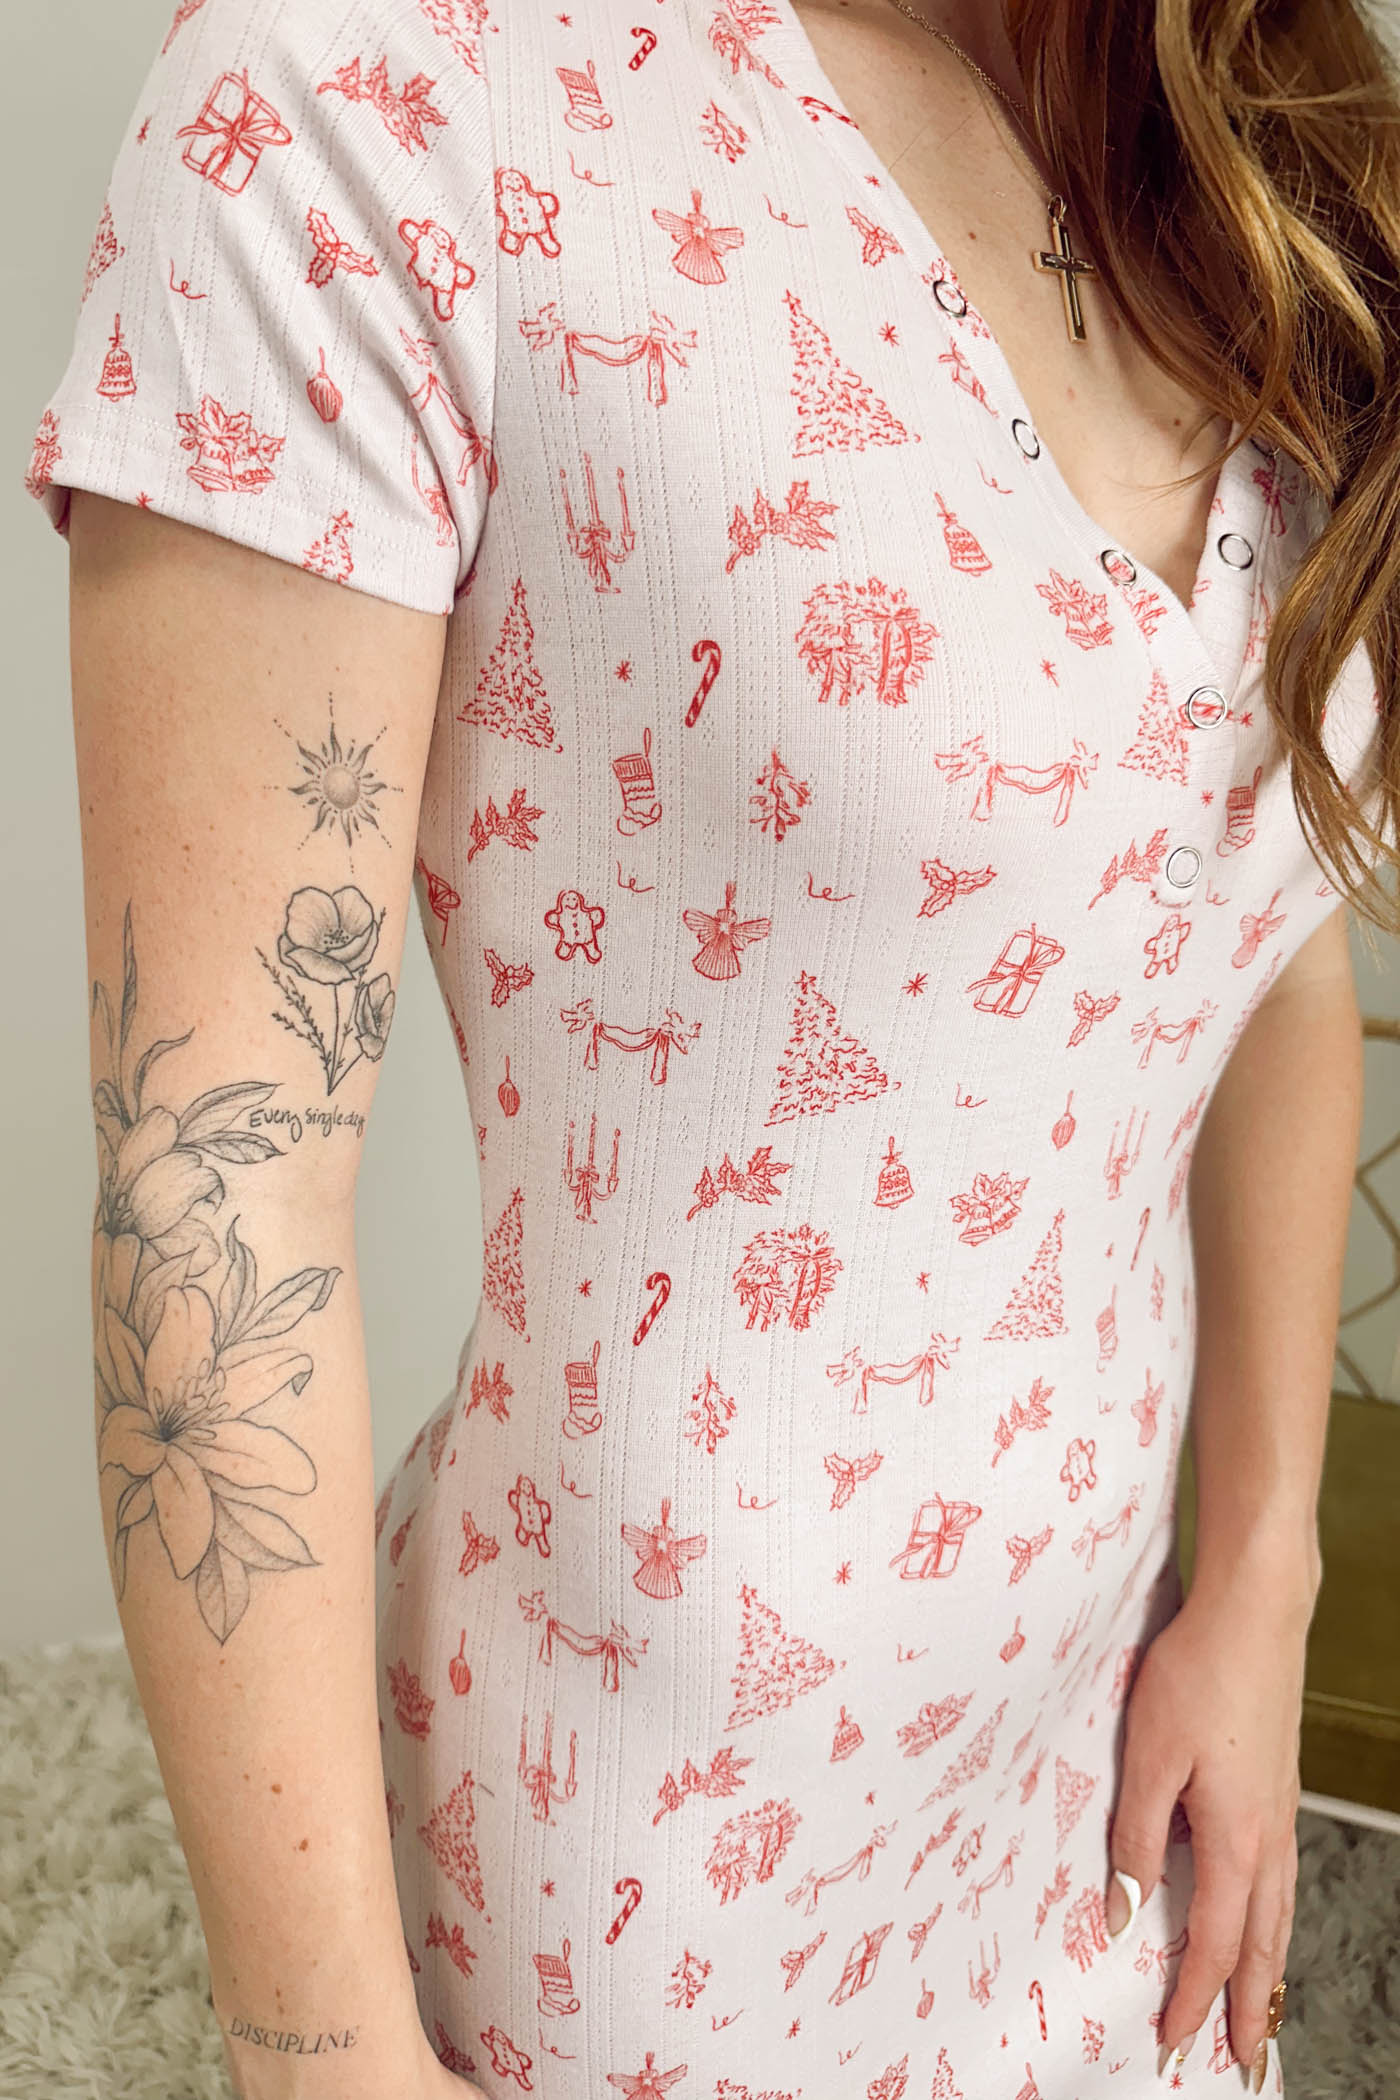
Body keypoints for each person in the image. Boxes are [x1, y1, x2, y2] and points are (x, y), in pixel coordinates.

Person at [23, 0, 1399, 2095]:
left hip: (1097, 1753)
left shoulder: (1247, 121)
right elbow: (217, 1174)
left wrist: (1265, 1569)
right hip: (647, 1859)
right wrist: (319, 2053)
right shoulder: (377, 99)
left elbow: (1258, 941)